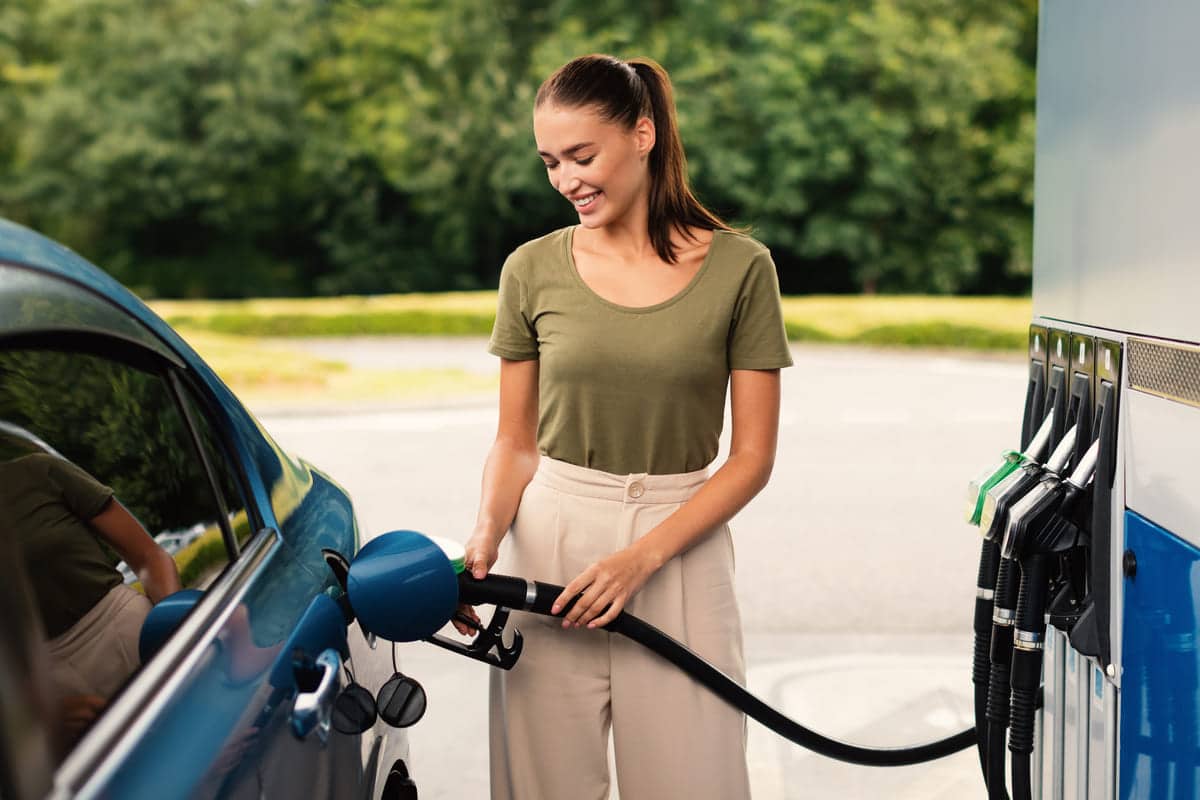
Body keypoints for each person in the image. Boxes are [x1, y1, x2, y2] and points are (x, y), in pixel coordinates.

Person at [459, 54, 793, 799]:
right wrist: (483, 541)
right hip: (550, 550)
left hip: (679, 552)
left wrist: (639, 560)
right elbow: (515, 443)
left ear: (643, 135)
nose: (565, 179)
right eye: (550, 162)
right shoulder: (530, 270)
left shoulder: (742, 269)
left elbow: (752, 458)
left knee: (696, 782)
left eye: (582, 155)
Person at [0, 451, 182, 746]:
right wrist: (41, 718)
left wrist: (176, 631)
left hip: (133, 635)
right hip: (50, 694)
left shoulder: (38, 472)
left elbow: (149, 555)